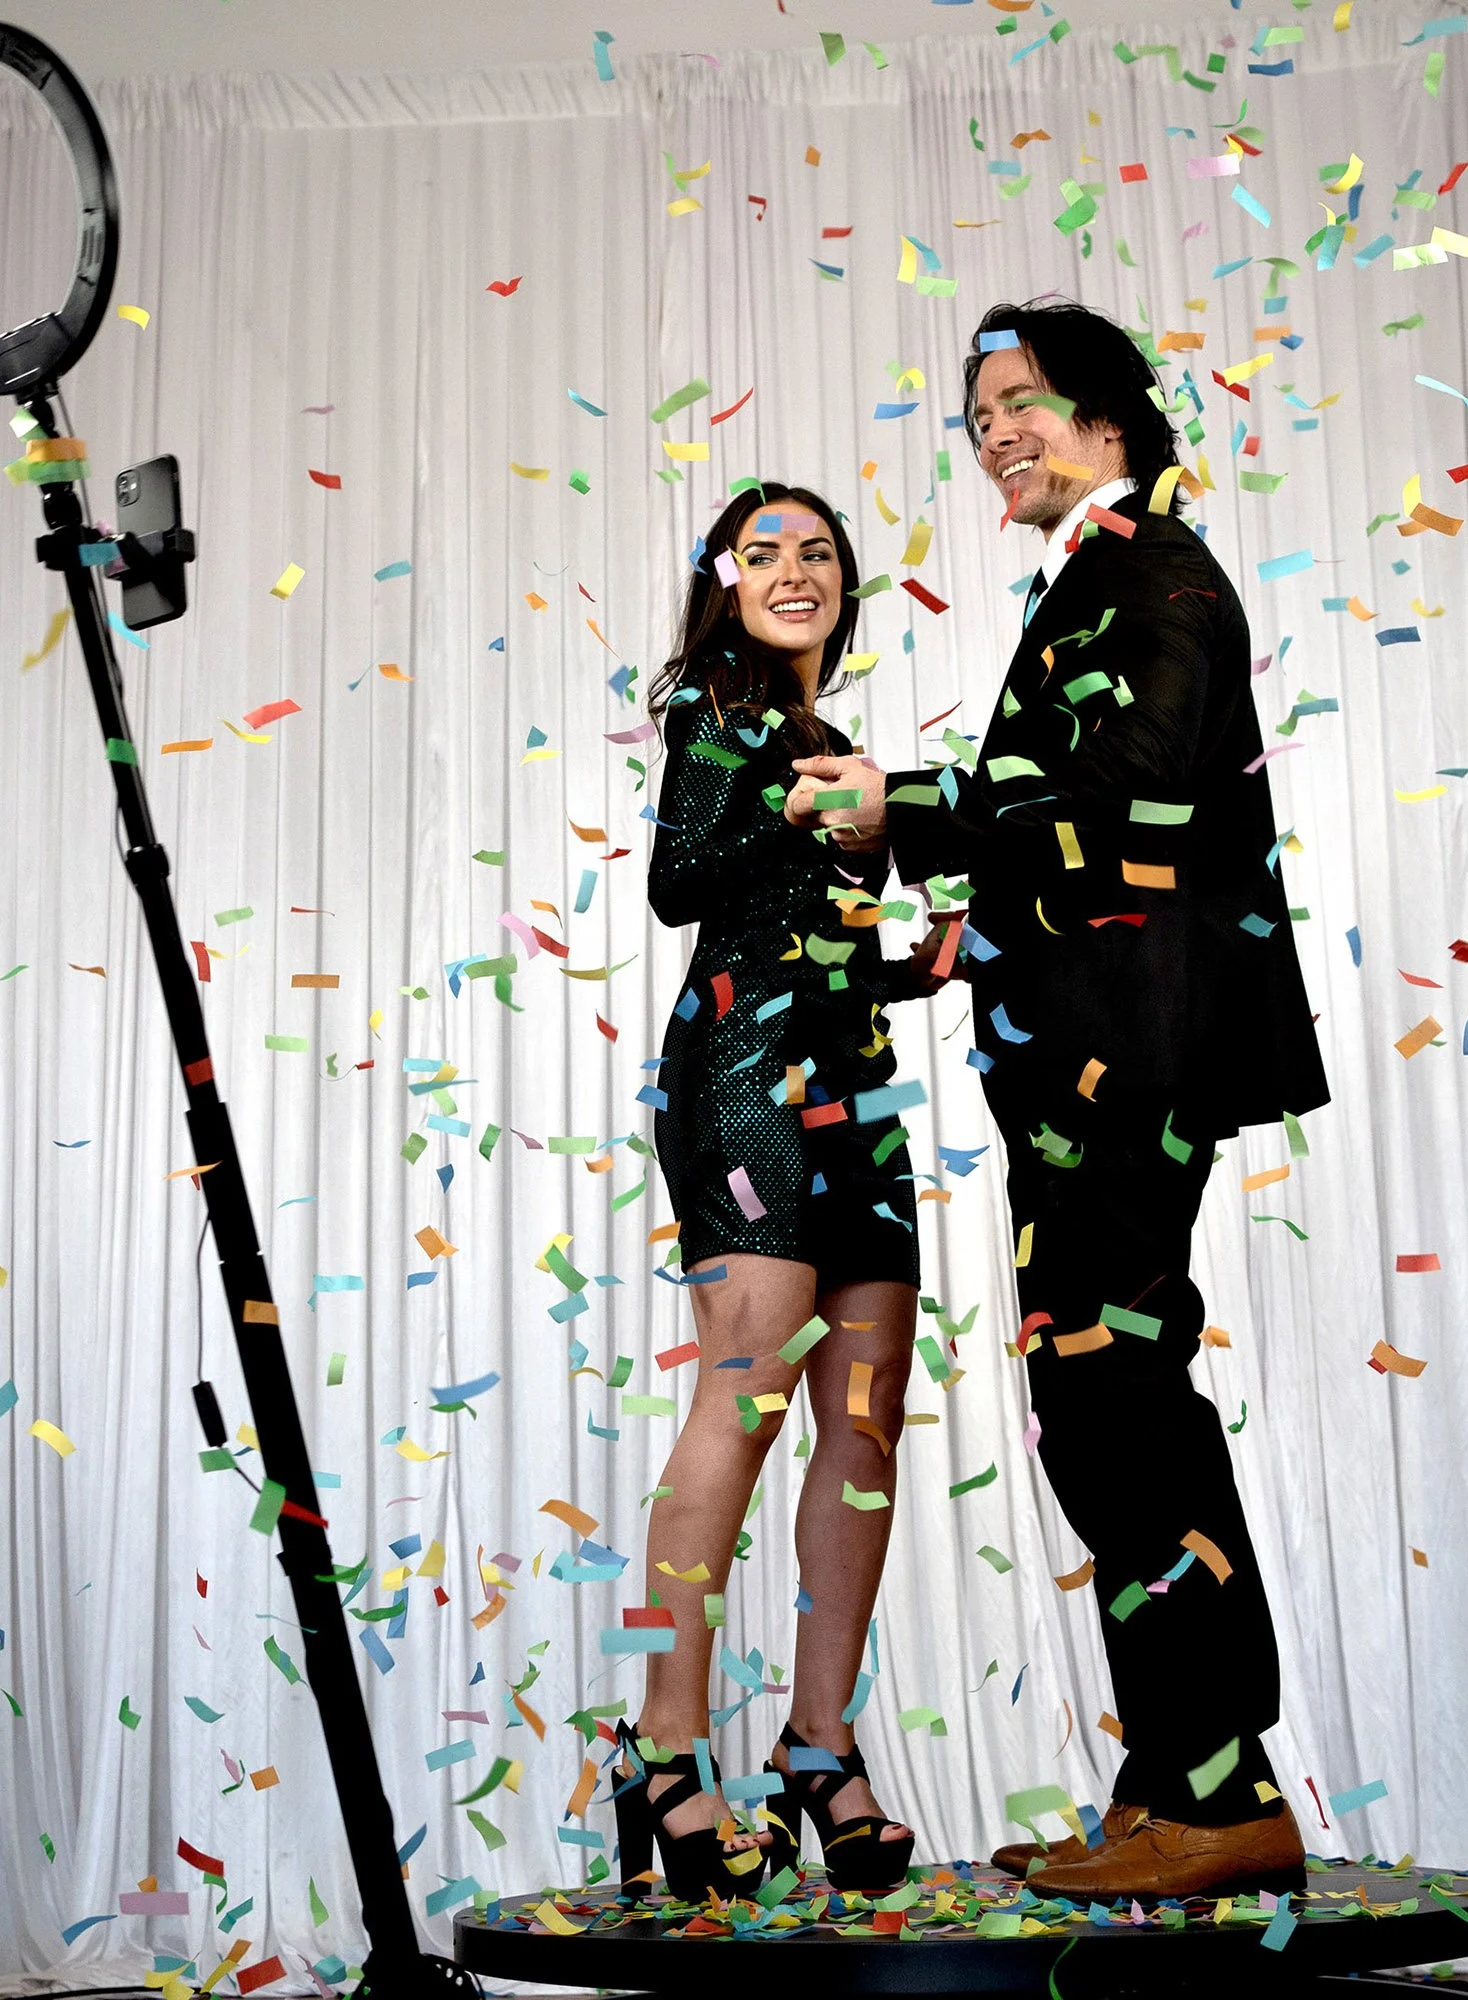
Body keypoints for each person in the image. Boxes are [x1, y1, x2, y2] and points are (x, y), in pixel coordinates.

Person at [784, 302, 1331, 1901]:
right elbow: (1105, 845)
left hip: (1129, 1064)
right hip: (1092, 1041)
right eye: (978, 416)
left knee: (1120, 1405)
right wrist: (970, 942)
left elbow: (1131, 789)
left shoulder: (1156, 572)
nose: (995, 434)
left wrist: (907, 803)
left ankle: (1220, 1794)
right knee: (1107, 1404)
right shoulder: (1103, 574)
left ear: (1105, 410)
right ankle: (1179, 1783)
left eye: (1019, 402)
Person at [616, 483, 946, 1902]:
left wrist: (911, 961)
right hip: (746, 1082)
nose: (796, 570)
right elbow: (682, 884)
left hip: (854, 1086)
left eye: (818, 552)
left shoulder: (833, 744)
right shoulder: (719, 715)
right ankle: (666, 1745)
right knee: (741, 1411)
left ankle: (820, 1742)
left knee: (863, 1429)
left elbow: (814, 940)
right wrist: (797, 801)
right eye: (766, 553)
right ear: (725, 585)